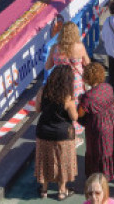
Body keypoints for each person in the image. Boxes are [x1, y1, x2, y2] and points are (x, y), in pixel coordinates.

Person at [35, 65, 78, 200]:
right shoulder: (67, 97)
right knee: (63, 162)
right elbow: (74, 117)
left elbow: (37, 109)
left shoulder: (43, 91)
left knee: (45, 161)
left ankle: (44, 190)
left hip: (43, 131)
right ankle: (61, 191)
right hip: (62, 134)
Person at [78, 64, 114, 180]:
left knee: (98, 151)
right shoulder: (107, 87)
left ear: (87, 78)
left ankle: (100, 177)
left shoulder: (87, 97)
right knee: (109, 149)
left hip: (99, 126)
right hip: (112, 120)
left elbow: (80, 114)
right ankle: (109, 172)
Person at [45, 22, 91, 136]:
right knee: (75, 105)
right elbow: (87, 63)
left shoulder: (55, 48)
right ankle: (75, 132)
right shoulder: (79, 47)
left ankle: (65, 130)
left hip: (59, 81)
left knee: (62, 105)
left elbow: (48, 66)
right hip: (75, 82)